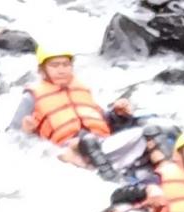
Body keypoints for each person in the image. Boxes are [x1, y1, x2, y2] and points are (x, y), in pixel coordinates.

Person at [8, 45, 142, 180]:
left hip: (102, 143)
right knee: (88, 141)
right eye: (54, 65)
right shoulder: (31, 97)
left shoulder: (82, 89)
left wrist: (117, 115)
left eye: (66, 65)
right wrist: (26, 131)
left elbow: (102, 120)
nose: (61, 70)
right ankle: (115, 182)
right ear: (42, 70)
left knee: (149, 126)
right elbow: (12, 137)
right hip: (69, 151)